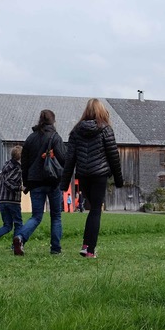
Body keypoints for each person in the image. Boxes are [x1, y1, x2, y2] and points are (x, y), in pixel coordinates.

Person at [60, 98, 124, 258]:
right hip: (100, 174)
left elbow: (70, 159)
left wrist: (64, 182)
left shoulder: (76, 131)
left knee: (91, 209)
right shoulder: (105, 129)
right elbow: (113, 156)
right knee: (95, 210)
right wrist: (118, 179)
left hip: (83, 175)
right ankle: (89, 249)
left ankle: (86, 245)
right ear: (102, 111)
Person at [13, 109, 66, 256]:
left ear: (39, 120)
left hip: (34, 182)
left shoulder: (30, 138)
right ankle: (55, 248)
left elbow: (24, 163)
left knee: (36, 216)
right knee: (56, 216)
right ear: (53, 121)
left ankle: (20, 237)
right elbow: (64, 159)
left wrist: (27, 182)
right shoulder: (55, 137)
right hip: (53, 181)